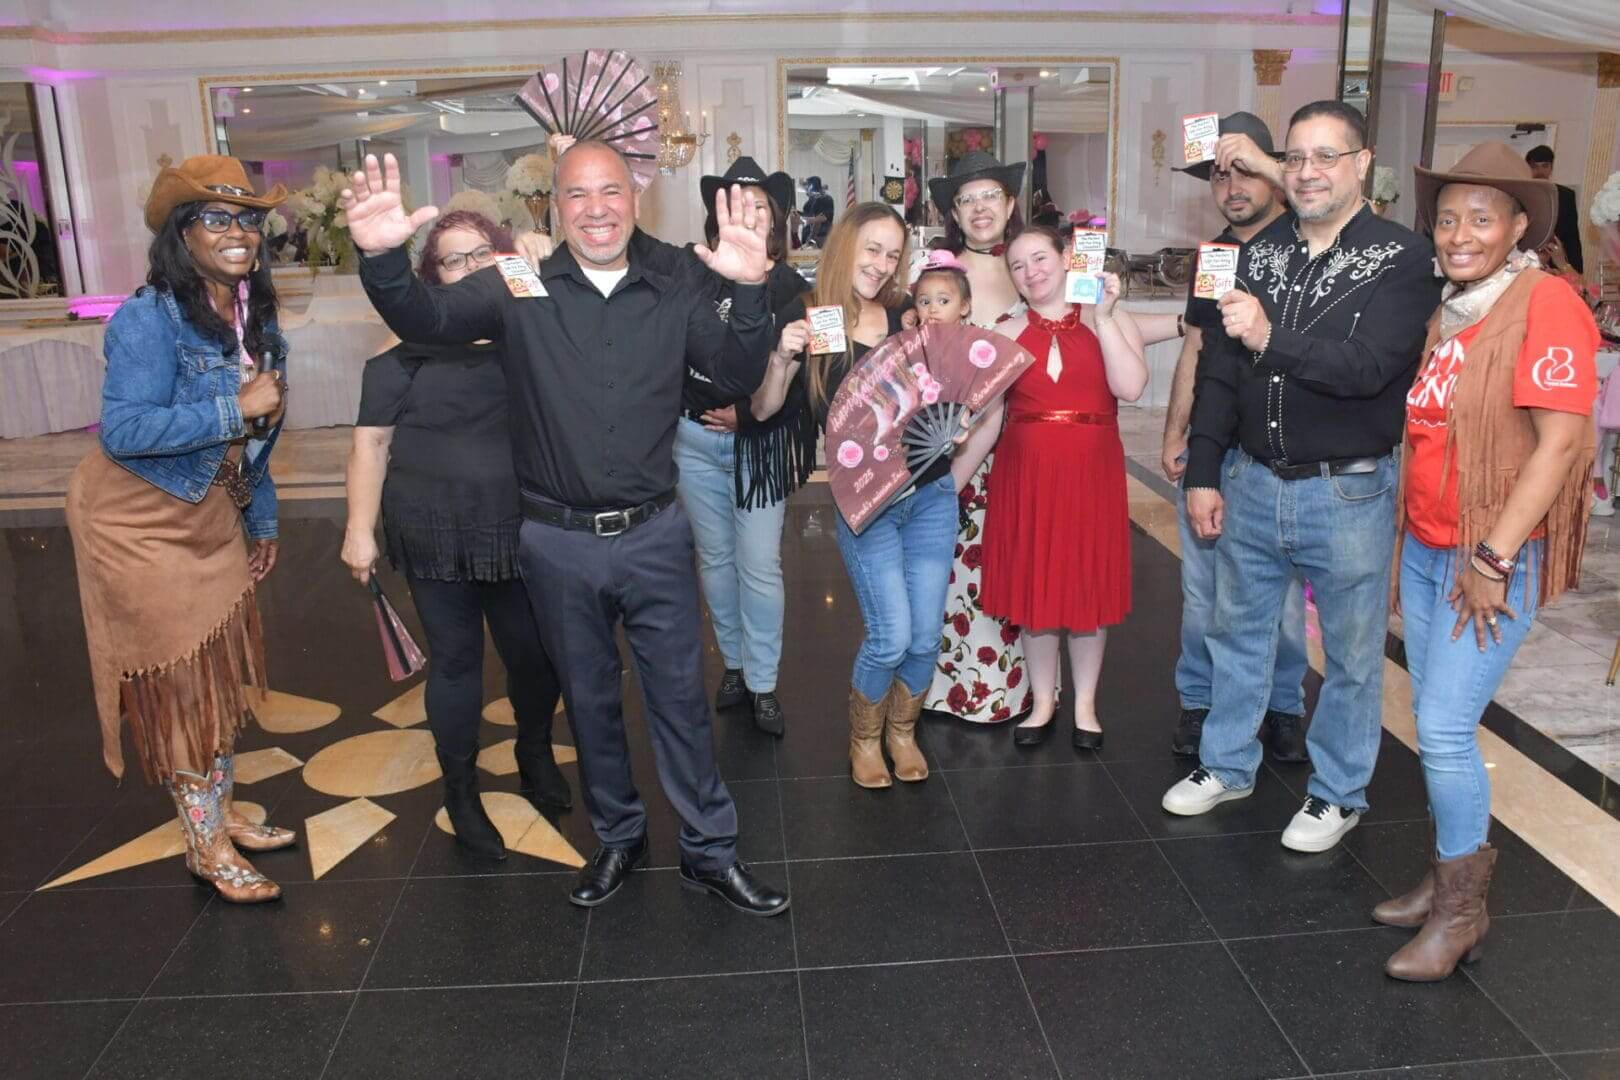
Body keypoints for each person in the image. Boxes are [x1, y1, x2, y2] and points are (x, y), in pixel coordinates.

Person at [341, 146, 788, 917]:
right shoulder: (518, 286)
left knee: (679, 699)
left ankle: (710, 853)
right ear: (554, 205)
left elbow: (737, 375)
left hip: (653, 534)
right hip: (556, 542)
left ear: (635, 197)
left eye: (609, 190)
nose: (595, 207)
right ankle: (618, 837)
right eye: (576, 194)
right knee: (586, 701)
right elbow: (429, 318)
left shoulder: (674, 288)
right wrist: (382, 260)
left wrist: (749, 293)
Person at [1162, 101, 1444, 853]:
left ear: (1362, 165)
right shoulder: (1257, 252)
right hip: (1252, 480)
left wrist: (1270, 336)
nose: (1310, 171)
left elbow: (1371, 369)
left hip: (1346, 490)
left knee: (1350, 656)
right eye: (1298, 157)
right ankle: (1227, 763)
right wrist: (1205, 469)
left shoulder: (1403, 258)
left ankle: (1337, 793)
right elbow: (1220, 368)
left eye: (1327, 156)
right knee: (1237, 632)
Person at [1374, 143, 1597, 981]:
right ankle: (1445, 881)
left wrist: (1494, 559)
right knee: (1435, 721)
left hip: (1489, 562)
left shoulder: (1547, 305)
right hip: (1435, 551)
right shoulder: (1456, 310)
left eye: (1480, 217)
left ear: (1516, 228)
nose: (1460, 232)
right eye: (1447, 218)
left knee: (1441, 729)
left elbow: (1563, 443)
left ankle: (1464, 911)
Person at [65, 155, 292, 903]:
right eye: (217, 219)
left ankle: (221, 816)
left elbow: (257, 441)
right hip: (137, 519)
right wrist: (236, 408)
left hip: (210, 510)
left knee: (217, 674)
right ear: (180, 233)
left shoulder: (251, 312)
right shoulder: (147, 316)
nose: (239, 234)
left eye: (249, 219)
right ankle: (205, 844)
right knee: (183, 687)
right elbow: (124, 429)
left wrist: (261, 519)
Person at [341, 209, 571, 862]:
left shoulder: (528, 339)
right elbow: (370, 447)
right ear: (430, 276)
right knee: (457, 664)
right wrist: (359, 531)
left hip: (518, 527)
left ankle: (533, 750)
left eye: (481, 256)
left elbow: (580, 321)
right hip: (432, 531)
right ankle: (461, 789)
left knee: (533, 656)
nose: (469, 270)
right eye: (452, 260)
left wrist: (539, 256)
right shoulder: (397, 358)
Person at [753, 202, 953, 789]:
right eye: (872, 248)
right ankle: (865, 738)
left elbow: (940, 396)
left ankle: (902, 731)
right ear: (845, 244)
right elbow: (764, 409)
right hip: (866, 506)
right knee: (891, 634)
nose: (882, 264)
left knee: (924, 634)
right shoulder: (811, 317)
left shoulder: (905, 316)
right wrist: (781, 357)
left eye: (893, 254)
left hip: (932, 494)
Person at [1162, 111, 1310, 761]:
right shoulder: (1216, 256)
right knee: (1203, 595)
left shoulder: (1311, 246)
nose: (1230, 186)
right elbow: (1196, 348)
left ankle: (1281, 706)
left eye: (1244, 169)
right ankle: (1200, 703)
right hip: (1212, 452)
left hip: (1280, 456)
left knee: (1277, 601)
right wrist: (1175, 432)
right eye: (1219, 175)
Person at [971, 226, 1147, 750]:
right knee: (1035, 589)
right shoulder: (1004, 331)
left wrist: (1108, 317)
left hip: (1090, 471)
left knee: (1086, 585)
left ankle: (1086, 705)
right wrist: (950, 482)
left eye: (1040, 258)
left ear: (1066, 256)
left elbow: (1132, 387)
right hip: (1026, 472)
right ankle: (1043, 700)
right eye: (1019, 265)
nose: (1032, 271)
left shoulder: (1105, 316)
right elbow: (984, 418)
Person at [674, 159, 812, 737]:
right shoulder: (694, 274)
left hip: (761, 446)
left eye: (761, 206)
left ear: (777, 219)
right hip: (693, 441)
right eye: (737, 204)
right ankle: (732, 665)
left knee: (759, 566)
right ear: (717, 215)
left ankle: (762, 681)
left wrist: (747, 412)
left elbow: (805, 378)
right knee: (715, 561)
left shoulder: (795, 290)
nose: (749, 214)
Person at [920, 153, 1034, 724]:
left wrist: (1187, 325)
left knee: (1008, 566)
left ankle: (1006, 688)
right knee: (949, 564)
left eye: (991, 195)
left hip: (1020, 446)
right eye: (967, 199)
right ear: (954, 214)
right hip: (956, 449)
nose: (980, 207)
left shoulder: (1028, 269)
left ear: (1010, 205)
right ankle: (944, 686)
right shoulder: (939, 280)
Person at [1524, 145, 1584, 275]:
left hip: (1556, 262)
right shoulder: (1520, 194)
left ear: (1551, 169)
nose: (1540, 171)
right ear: (1527, 168)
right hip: (1524, 261)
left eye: (1545, 166)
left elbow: (1572, 235)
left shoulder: (1565, 195)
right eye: (1535, 167)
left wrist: (1576, 271)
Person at [801, 175, 835, 247]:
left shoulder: (824, 199)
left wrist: (811, 239)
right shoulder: (810, 201)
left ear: (811, 186)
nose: (805, 190)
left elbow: (822, 219)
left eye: (806, 186)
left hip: (819, 239)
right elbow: (809, 215)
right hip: (811, 238)